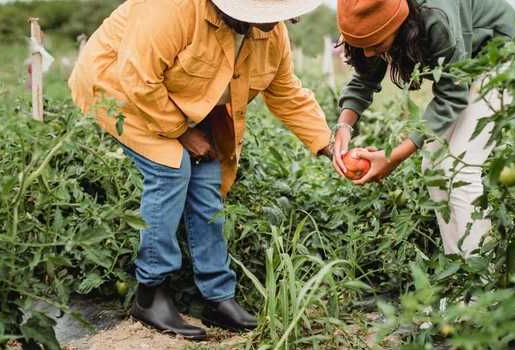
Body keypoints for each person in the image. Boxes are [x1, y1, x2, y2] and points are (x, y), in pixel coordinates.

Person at [68, 0, 332, 340]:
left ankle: (217, 296)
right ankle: (151, 292)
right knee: (171, 169)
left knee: (208, 175)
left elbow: (287, 94)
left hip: (179, 99)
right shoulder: (172, 9)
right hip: (119, 89)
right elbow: (138, 78)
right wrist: (183, 133)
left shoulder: (271, 33)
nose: (275, 22)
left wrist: (327, 145)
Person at [331, 0, 515, 256]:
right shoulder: (379, 14)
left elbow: (452, 93)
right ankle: (460, 276)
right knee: (433, 166)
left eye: (375, 45)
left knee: (460, 170)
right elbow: (365, 76)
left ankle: (481, 287)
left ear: (399, 26)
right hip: (467, 67)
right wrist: (344, 126)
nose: (368, 54)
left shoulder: (435, 16)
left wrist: (392, 156)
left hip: (503, 57)